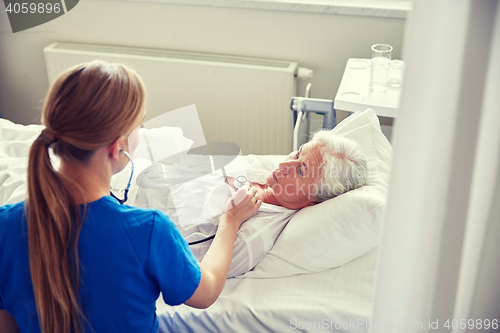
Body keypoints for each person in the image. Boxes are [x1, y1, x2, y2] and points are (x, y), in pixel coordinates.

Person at [0, 60, 261, 333]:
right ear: (117, 148)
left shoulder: (5, 227)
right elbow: (205, 293)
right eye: (139, 126)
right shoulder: (148, 231)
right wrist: (230, 220)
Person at [135, 130, 368, 278]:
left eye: (301, 170)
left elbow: (192, 271)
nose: (284, 165)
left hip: (127, 203)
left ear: (313, 201)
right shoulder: (267, 172)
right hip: (147, 167)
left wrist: (231, 219)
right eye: (297, 153)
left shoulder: (252, 237)